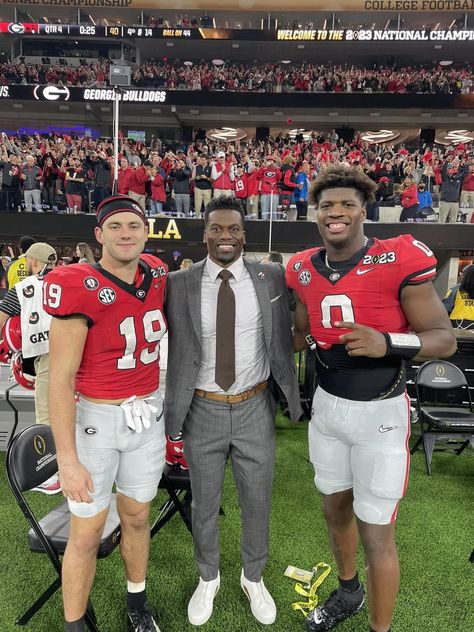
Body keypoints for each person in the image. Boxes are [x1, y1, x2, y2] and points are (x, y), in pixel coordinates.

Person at [286, 166, 456, 632]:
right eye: (326, 206)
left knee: (376, 532)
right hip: (327, 408)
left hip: (381, 411)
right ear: (315, 213)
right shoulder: (300, 266)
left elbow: (444, 340)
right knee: (334, 508)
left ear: (364, 210)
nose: (335, 213)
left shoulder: (398, 257)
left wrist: (389, 342)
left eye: (345, 205)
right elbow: (300, 336)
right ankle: (348, 592)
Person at [165, 195, 301, 627]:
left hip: (254, 407)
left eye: (234, 229)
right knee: (203, 504)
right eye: (217, 229)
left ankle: (253, 577)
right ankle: (208, 578)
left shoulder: (273, 276)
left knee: (256, 502)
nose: (226, 237)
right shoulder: (177, 283)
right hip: (201, 408)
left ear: (245, 235)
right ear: (204, 233)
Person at [44, 195, 168, 632]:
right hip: (97, 421)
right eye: (114, 226)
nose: (125, 233)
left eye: (133, 225)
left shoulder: (156, 273)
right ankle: (74, 624)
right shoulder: (76, 283)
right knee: (86, 533)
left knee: (137, 518)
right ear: (98, 235)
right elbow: (59, 380)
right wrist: (67, 459)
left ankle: (138, 601)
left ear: (146, 231)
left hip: (147, 418)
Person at [0, 242, 59, 493]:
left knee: (46, 415)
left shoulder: (22, 288)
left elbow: (1, 318)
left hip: (46, 356)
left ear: (33, 261)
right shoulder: (68, 281)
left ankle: (53, 475)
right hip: (78, 357)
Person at [442, 264, 474, 333]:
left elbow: (444, 308)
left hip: (457, 323)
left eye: (462, 273)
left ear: (465, 276)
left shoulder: (456, 289)